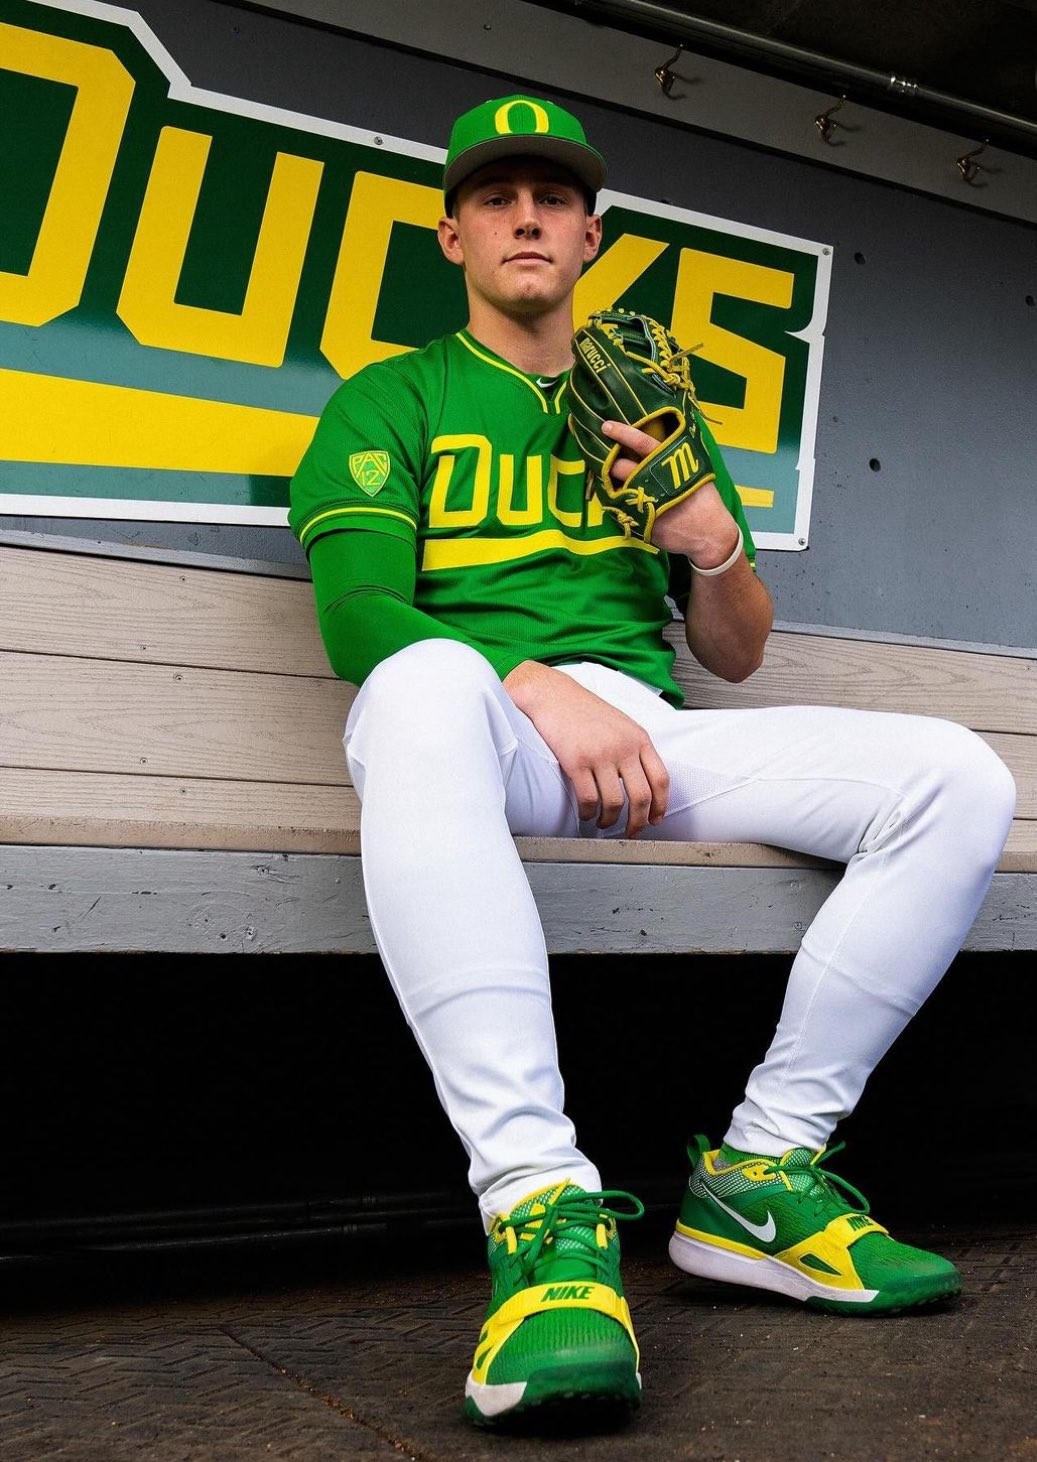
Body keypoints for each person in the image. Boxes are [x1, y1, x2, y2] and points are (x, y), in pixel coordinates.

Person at [289, 93, 1016, 1430]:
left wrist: (709, 540)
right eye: (497, 197)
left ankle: (762, 1175)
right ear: (452, 234)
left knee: (955, 775)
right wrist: (536, 687)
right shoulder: (392, 397)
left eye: (552, 198)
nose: (526, 217)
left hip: (649, 738)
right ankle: (538, 1213)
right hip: (479, 731)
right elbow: (358, 616)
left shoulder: (651, 411)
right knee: (421, 682)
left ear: (589, 234)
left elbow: (734, 651)